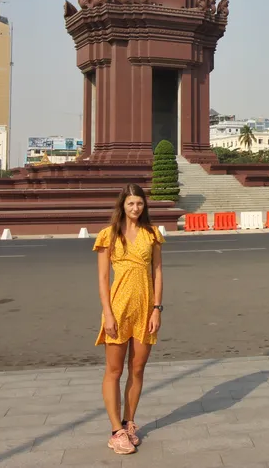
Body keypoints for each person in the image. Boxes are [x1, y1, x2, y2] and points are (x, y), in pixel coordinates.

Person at [93, 183, 164, 455]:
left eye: (140, 203)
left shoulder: (152, 235)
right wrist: (107, 313)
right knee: (114, 370)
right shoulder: (109, 235)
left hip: (145, 309)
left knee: (137, 369)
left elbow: (157, 273)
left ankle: (129, 422)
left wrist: (157, 309)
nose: (135, 208)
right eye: (130, 203)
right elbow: (102, 279)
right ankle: (115, 431)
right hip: (118, 309)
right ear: (122, 205)